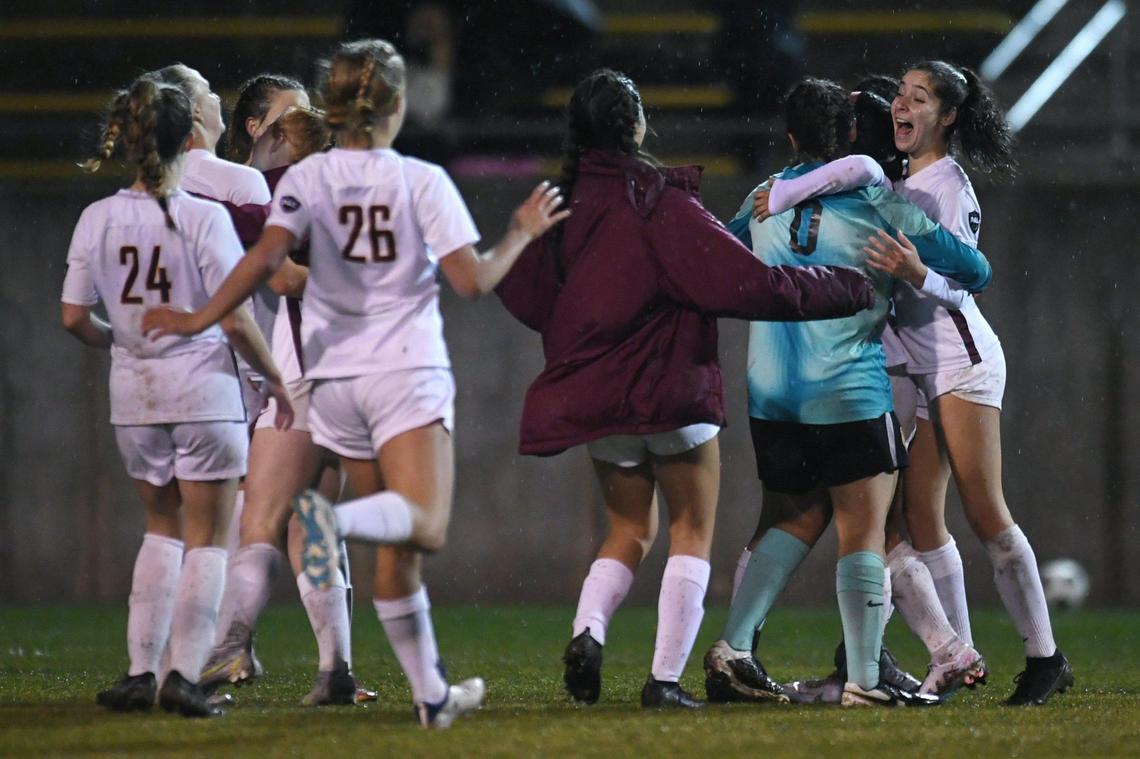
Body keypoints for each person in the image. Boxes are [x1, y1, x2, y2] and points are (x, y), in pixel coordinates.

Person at [140, 38, 568, 729]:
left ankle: (430, 697)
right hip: (404, 372)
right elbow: (471, 280)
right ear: (397, 104)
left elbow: (265, 267)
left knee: (374, 549)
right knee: (419, 528)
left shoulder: (304, 182)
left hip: (329, 377)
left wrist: (198, 315)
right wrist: (519, 232)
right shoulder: (420, 181)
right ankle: (330, 525)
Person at [494, 69, 877, 709]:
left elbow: (528, 294)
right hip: (670, 389)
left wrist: (590, 328)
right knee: (691, 531)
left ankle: (588, 633)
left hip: (596, 398)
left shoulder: (556, 203)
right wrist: (847, 287)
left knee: (625, 528)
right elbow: (750, 285)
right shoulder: (659, 200)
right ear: (638, 124)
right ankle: (663, 680)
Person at [702, 77, 993, 708]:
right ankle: (865, 678)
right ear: (853, 136)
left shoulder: (762, 197)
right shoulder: (876, 197)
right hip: (849, 388)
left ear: (788, 137)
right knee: (864, 529)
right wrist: (913, 265)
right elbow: (975, 269)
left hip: (771, 390)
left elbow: (714, 255)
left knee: (795, 515)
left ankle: (733, 648)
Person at [64, 76, 292, 717]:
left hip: (134, 395)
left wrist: (122, 340)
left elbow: (72, 318)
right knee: (210, 538)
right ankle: (183, 678)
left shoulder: (97, 217)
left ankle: (141, 672)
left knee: (160, 531)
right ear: (183, 136)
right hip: (205, 390)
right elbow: (235, 316)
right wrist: (275, 379)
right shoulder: (204, 215)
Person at [890, 61, 1071, 705]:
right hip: (919, 367)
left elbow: (966, 283)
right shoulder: (897, 181)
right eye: (899, 96)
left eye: (919, 97)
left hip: (960, 362)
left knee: (985, 512)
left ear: (948, 116)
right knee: (918, 515)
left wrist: (915, 274)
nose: (902, 105)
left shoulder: (947, 186)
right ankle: (959, 656)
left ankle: (1046, 658)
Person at [201, 83, 375, 707]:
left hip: (298, 372)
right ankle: (335, 668)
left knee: (259, 522)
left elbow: (279, 271)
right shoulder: (365, 184)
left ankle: (223, 651)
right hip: (353, 374)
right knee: (313, 522)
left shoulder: (287, 190)